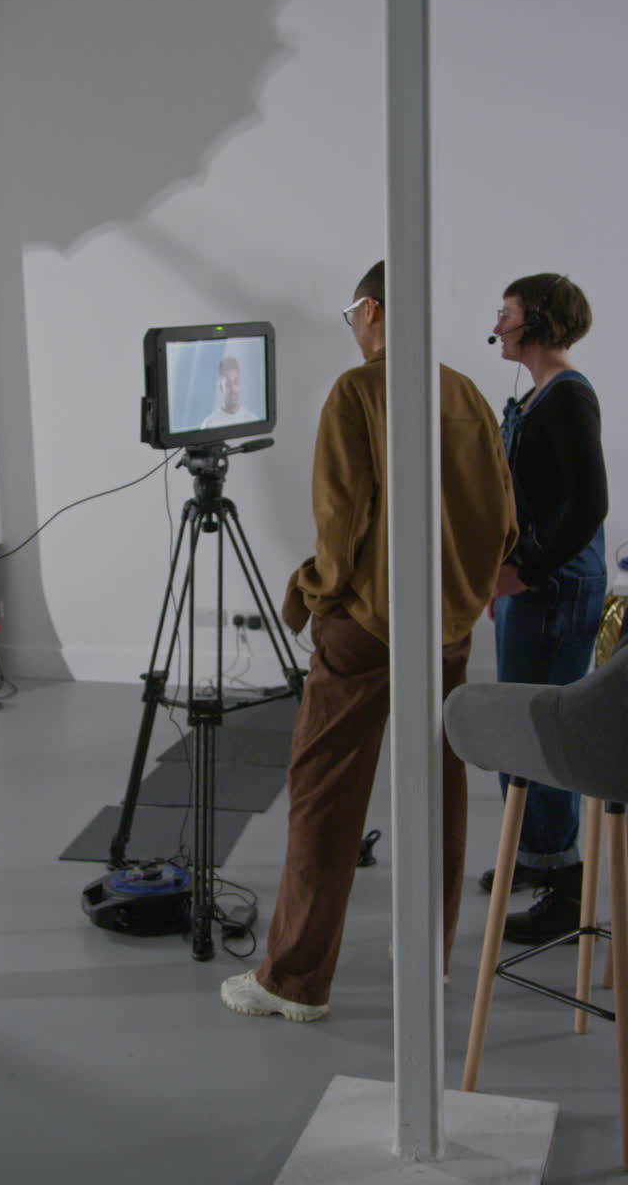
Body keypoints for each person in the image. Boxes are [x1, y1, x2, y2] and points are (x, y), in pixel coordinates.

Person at [220, 260, 518, 1021]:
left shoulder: (360, 391)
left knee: (326, 793)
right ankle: (427, 954)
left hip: (368, 624)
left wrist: (315, 594)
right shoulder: (465, 392)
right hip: (447, 627)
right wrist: (461, 597)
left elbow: (343, 523)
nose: (351, 327)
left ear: (374, 309)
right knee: (439, 790)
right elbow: (504, 523)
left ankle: (294, 980)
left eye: (351, 313)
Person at [482, 272, 608, 944]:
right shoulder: (537, 397)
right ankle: (535, 857)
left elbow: (591, 506)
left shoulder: (566, 399)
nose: (497, 324)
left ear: (532, 321)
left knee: (540, 735)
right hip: (538, 588)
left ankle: (564, 886)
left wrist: (523, 572)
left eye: (505, 313)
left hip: (554, 590)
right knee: (523, 729)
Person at [201, 356, 257, 428]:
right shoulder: (209, 424)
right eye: (228, 384)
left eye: (236, 382)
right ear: (221, 387)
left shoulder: (252, 420)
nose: (233, 389)